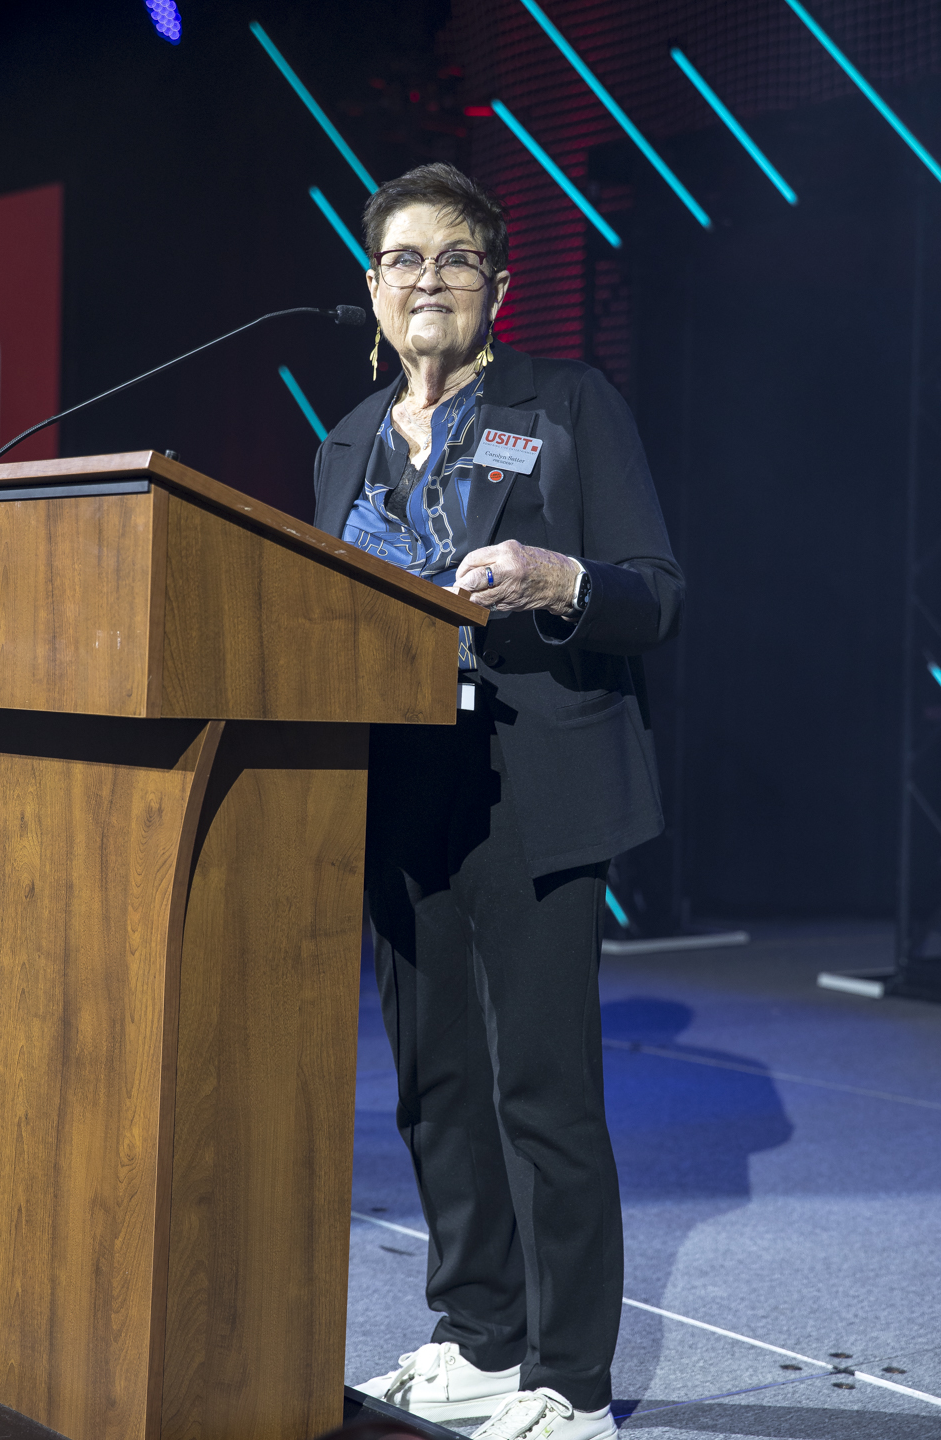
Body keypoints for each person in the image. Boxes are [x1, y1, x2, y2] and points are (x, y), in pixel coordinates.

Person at [313, 163, 684, 1440]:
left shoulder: (567, 405)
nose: (430, 280)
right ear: (371, 288)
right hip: (405, 795)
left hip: (540, 791)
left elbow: (657, 594)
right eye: (405, 258)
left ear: (499, 285)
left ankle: (571, 1383)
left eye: (457, 258)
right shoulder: (347, 442)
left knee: (542, 1091)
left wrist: (557, 574)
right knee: (435, 1089)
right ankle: (479, 1333)